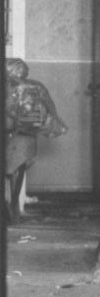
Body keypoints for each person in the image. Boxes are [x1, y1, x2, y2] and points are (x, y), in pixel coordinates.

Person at [5, 58, 67, 221]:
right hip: (26, 134)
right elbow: (50, 106)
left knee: (10, 172)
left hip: (10, 134)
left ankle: (11, 208)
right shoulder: (36, 86)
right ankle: (13, 208)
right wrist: (56, 120)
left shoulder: (8, 87)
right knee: (17, 171)